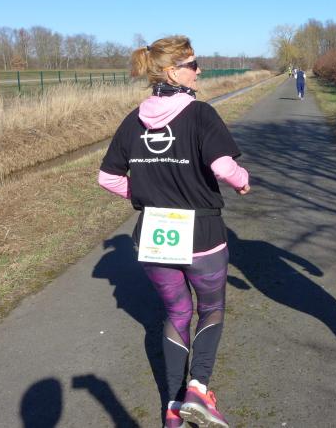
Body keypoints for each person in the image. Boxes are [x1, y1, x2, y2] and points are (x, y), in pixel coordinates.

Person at [98, 36, 250, 428]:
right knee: (211, 308)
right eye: (193, 64)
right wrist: (243, 180)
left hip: (154, 233)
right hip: (202, 233)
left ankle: (171, 408)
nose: (200, 70)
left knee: (177, 312)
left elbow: (107, 177)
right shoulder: (200, 114)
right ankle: (198, 389)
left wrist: (144, 195)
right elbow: (223, 167)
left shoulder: (133, 120)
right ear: (172, 73)